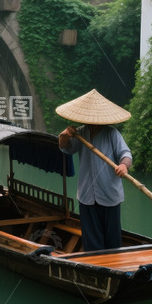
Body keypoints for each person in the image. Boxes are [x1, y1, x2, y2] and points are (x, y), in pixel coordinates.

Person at [56, 89, 132, 251]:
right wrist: (64, 135)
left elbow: (126, 154)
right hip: (87, 194)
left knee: (112, 237)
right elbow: (66, 148)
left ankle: (113, 263)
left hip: (109, 193)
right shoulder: (80, 133)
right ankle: (94, 263)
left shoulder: (112, 133)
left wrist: (124, 165)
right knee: (91, 238)